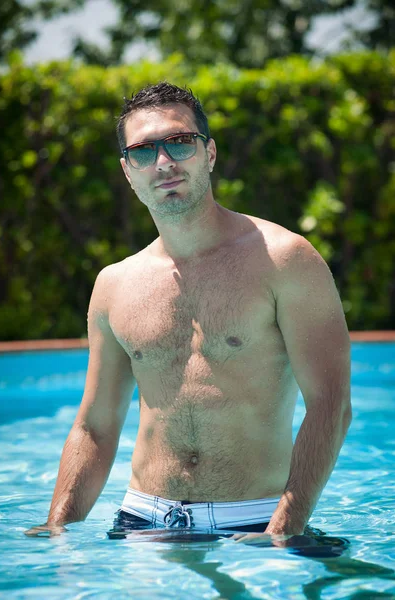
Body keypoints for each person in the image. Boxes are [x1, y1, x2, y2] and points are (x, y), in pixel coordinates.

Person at [25, 82, 351, 543]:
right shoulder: (114, 284)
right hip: (142, 524)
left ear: (209, 153)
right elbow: (94, 426)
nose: (164, 163)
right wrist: (57, 528)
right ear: (127, 171)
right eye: (143, 151)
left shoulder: (284, 260)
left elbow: (331, 405)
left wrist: (283, 531)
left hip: (257, 522)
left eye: (179, 142)